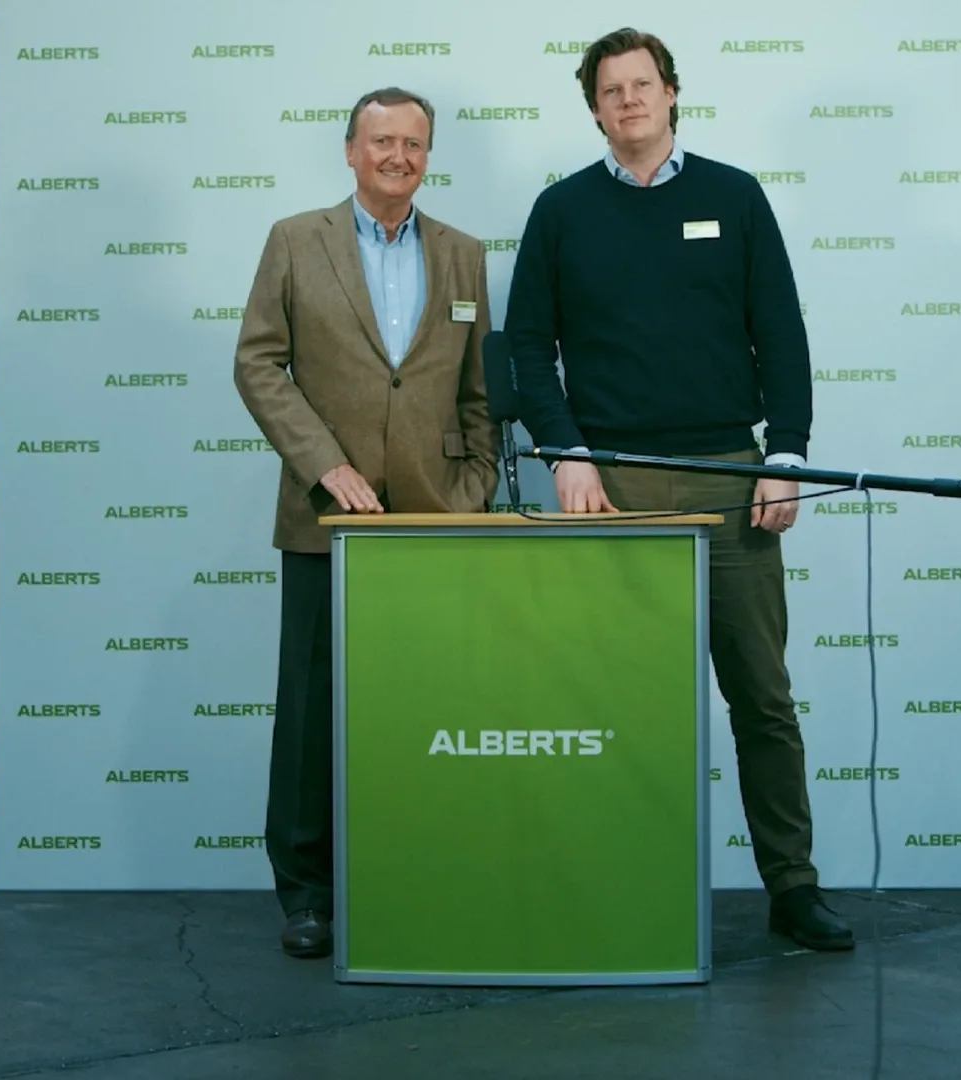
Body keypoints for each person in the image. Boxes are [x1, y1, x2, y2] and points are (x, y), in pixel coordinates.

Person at [504, 27, 852, 952]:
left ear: (671, 94)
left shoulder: (733, 196)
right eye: (610, 90)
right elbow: (526, 349)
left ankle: (793, 886)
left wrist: (788, 452)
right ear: (594, 108)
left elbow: (780, 332)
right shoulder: (561, 212)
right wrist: (566, 451)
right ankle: (621, 883)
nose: (628, 101)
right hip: (606, 484)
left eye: (642, 85)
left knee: (762, 700)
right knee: (616, 701)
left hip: (731, 480)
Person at [233, 87, 500, 959]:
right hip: (327, 520)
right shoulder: (294, 240)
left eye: (414, 144)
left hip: (436, 521)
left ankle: (414, 868)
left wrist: (472, 488)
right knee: (313, 713)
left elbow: (480, 392)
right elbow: (258, 363)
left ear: (429, 155)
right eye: (382, 141)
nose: (398, 156)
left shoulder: (463, 255)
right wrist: (325, 464)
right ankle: (309, 894)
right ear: (350, 151)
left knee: (430, 705)